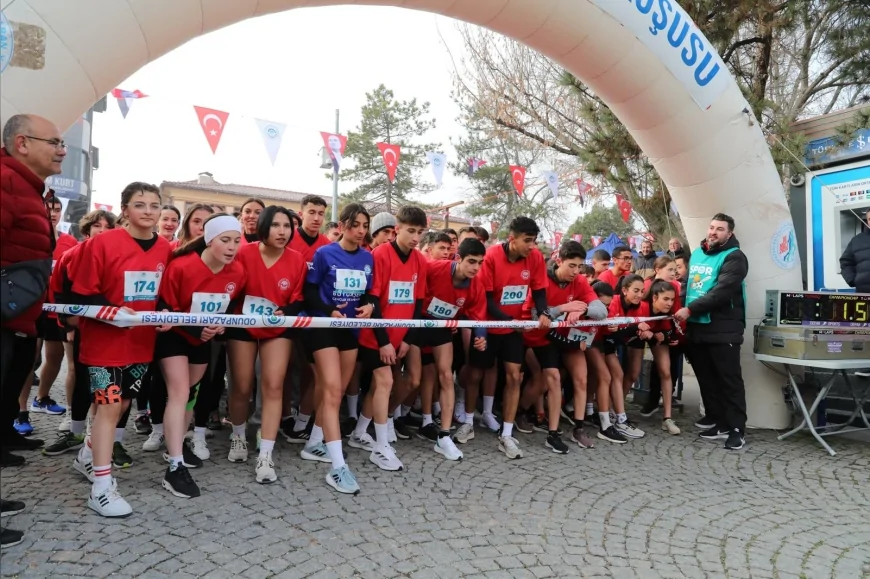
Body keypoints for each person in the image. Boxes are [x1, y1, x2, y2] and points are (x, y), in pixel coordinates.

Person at [70, 182, 173, 516]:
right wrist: (113, 311)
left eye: (154, 205)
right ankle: (101, 487)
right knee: (109, 406)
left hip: (141, 345)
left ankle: (87, 454)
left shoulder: (166, 250)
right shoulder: (102, 244)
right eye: (139, 204)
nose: (148, 211)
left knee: (122, 404)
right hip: (103, 343)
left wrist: (167, 314)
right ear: (125, 209)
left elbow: (164, 295)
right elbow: (83, 292)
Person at [0, 113, 65, 546]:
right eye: (54, 141)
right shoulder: (5, 183)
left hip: (14, 319)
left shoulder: (27, 187)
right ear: (22, 143)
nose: (62, 149)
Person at [156, 213, 246, 498]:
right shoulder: (182, 267)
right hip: (174, 338)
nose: (232, 247)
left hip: (203, 340)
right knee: (179, 393)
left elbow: (228, 309)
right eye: (225, 241)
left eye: (236, 241)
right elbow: (166, 307)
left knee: (190, 396)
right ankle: (174, 467)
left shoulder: (238, 272)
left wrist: (220, 326)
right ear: (209, 240)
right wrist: (196, 329)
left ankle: (177, 445)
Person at [227, 206, 305, 483]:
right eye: (275, 225)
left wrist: (288, 310)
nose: (282, 231)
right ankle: (238, 437)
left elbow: (298, 299)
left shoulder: (297, 259)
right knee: (242, 385)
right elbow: (230, 289)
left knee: (273, 385)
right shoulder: (244, 253)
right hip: (242, 326)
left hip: (277, 329)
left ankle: (266, 454)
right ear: (262, 226)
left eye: (287, 226)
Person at [303, 203, 375, 494]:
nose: (360, 231)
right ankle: (338, 466)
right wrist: (329, 309)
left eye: (364, 226)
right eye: (356, 225)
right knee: (331, 390)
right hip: (323, 328)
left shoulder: (368, 258)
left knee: (337, 391)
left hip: (350, 332)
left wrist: (371, 305)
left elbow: (368, 293)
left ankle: (313, 444)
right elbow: (308, 292)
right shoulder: (324, 253)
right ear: (343, 225)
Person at [353, 205, 429, 472]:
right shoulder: (381, 254)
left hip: (400, 337)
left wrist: (408, 339)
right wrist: (384, 340)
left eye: (420, 232)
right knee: (384, 382)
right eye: (411, 231)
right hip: (374, 334)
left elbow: (418, 304)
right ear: (397, 229)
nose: (415, 237)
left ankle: (359, 432)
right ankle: (381, 446)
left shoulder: (420, 260)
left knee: (378, 388)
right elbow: (373, 300)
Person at [468, 216, 550, 459]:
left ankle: (506, 433)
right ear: (511, 239)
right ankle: (467, 420)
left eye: (534, 241)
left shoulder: (534, 258)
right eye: (527, 241)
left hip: (514, 330)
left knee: (515, 375)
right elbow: (488, 300)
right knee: (475, 373)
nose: (532, 246)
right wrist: (509, 320)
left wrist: (543, 312)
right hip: (489, 324)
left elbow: (539, 291)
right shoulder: (492, 256)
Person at [674, 213, 749, 451]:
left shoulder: (735, 257)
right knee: (707, 379)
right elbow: (688, 285)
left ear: (730, 234)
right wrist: (681, 308)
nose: (713, 232)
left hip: (723, 327)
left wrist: (689, 309)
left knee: (729, 380)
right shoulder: (696, 254)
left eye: (720, 229)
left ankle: (737, 428)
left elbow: (722, 291)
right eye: (712, 227)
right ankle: (719, 421)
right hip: (697, 326)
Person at [839, 207, 870, 376]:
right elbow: (845, 261)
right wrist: (853, 279)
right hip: (864, 292)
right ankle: (867, 365)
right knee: (866, 330)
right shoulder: (857, 241)